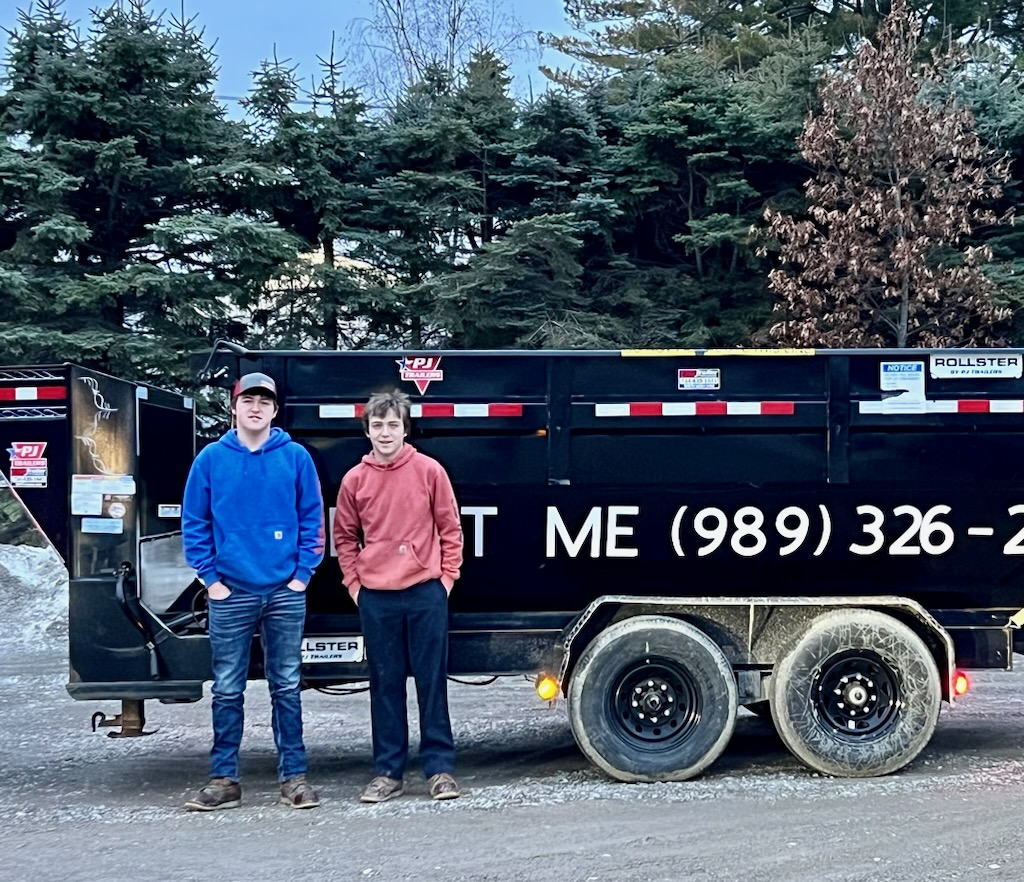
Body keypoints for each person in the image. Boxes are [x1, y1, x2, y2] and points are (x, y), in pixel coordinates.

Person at [181, 372, 325, 811]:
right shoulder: (211, 459)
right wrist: (211, 580)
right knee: (227, 688)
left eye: (265, 401)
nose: (256, 408)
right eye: (248, 400)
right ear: (235, 407)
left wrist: (302, 575)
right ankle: (224, 780)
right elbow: (195, 523)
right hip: (232, 592)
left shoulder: (295, 457)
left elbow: (313, 519)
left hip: (285, 591)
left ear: (275, 410)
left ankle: (294, 780)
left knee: (286, 685)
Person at [333, 389, 464, 802]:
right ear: (367, 430)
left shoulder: (429, 471)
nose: (385, 433)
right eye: (377, 425)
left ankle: (439, 770)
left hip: (426, 593)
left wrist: (445, 580)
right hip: (377, 597)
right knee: (385, 684)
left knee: (431, 683)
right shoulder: (355, 480)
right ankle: (387, 772)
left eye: (393, 425)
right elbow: (344, 537)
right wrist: (355, 586)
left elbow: (450, 529)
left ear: (405, 429)